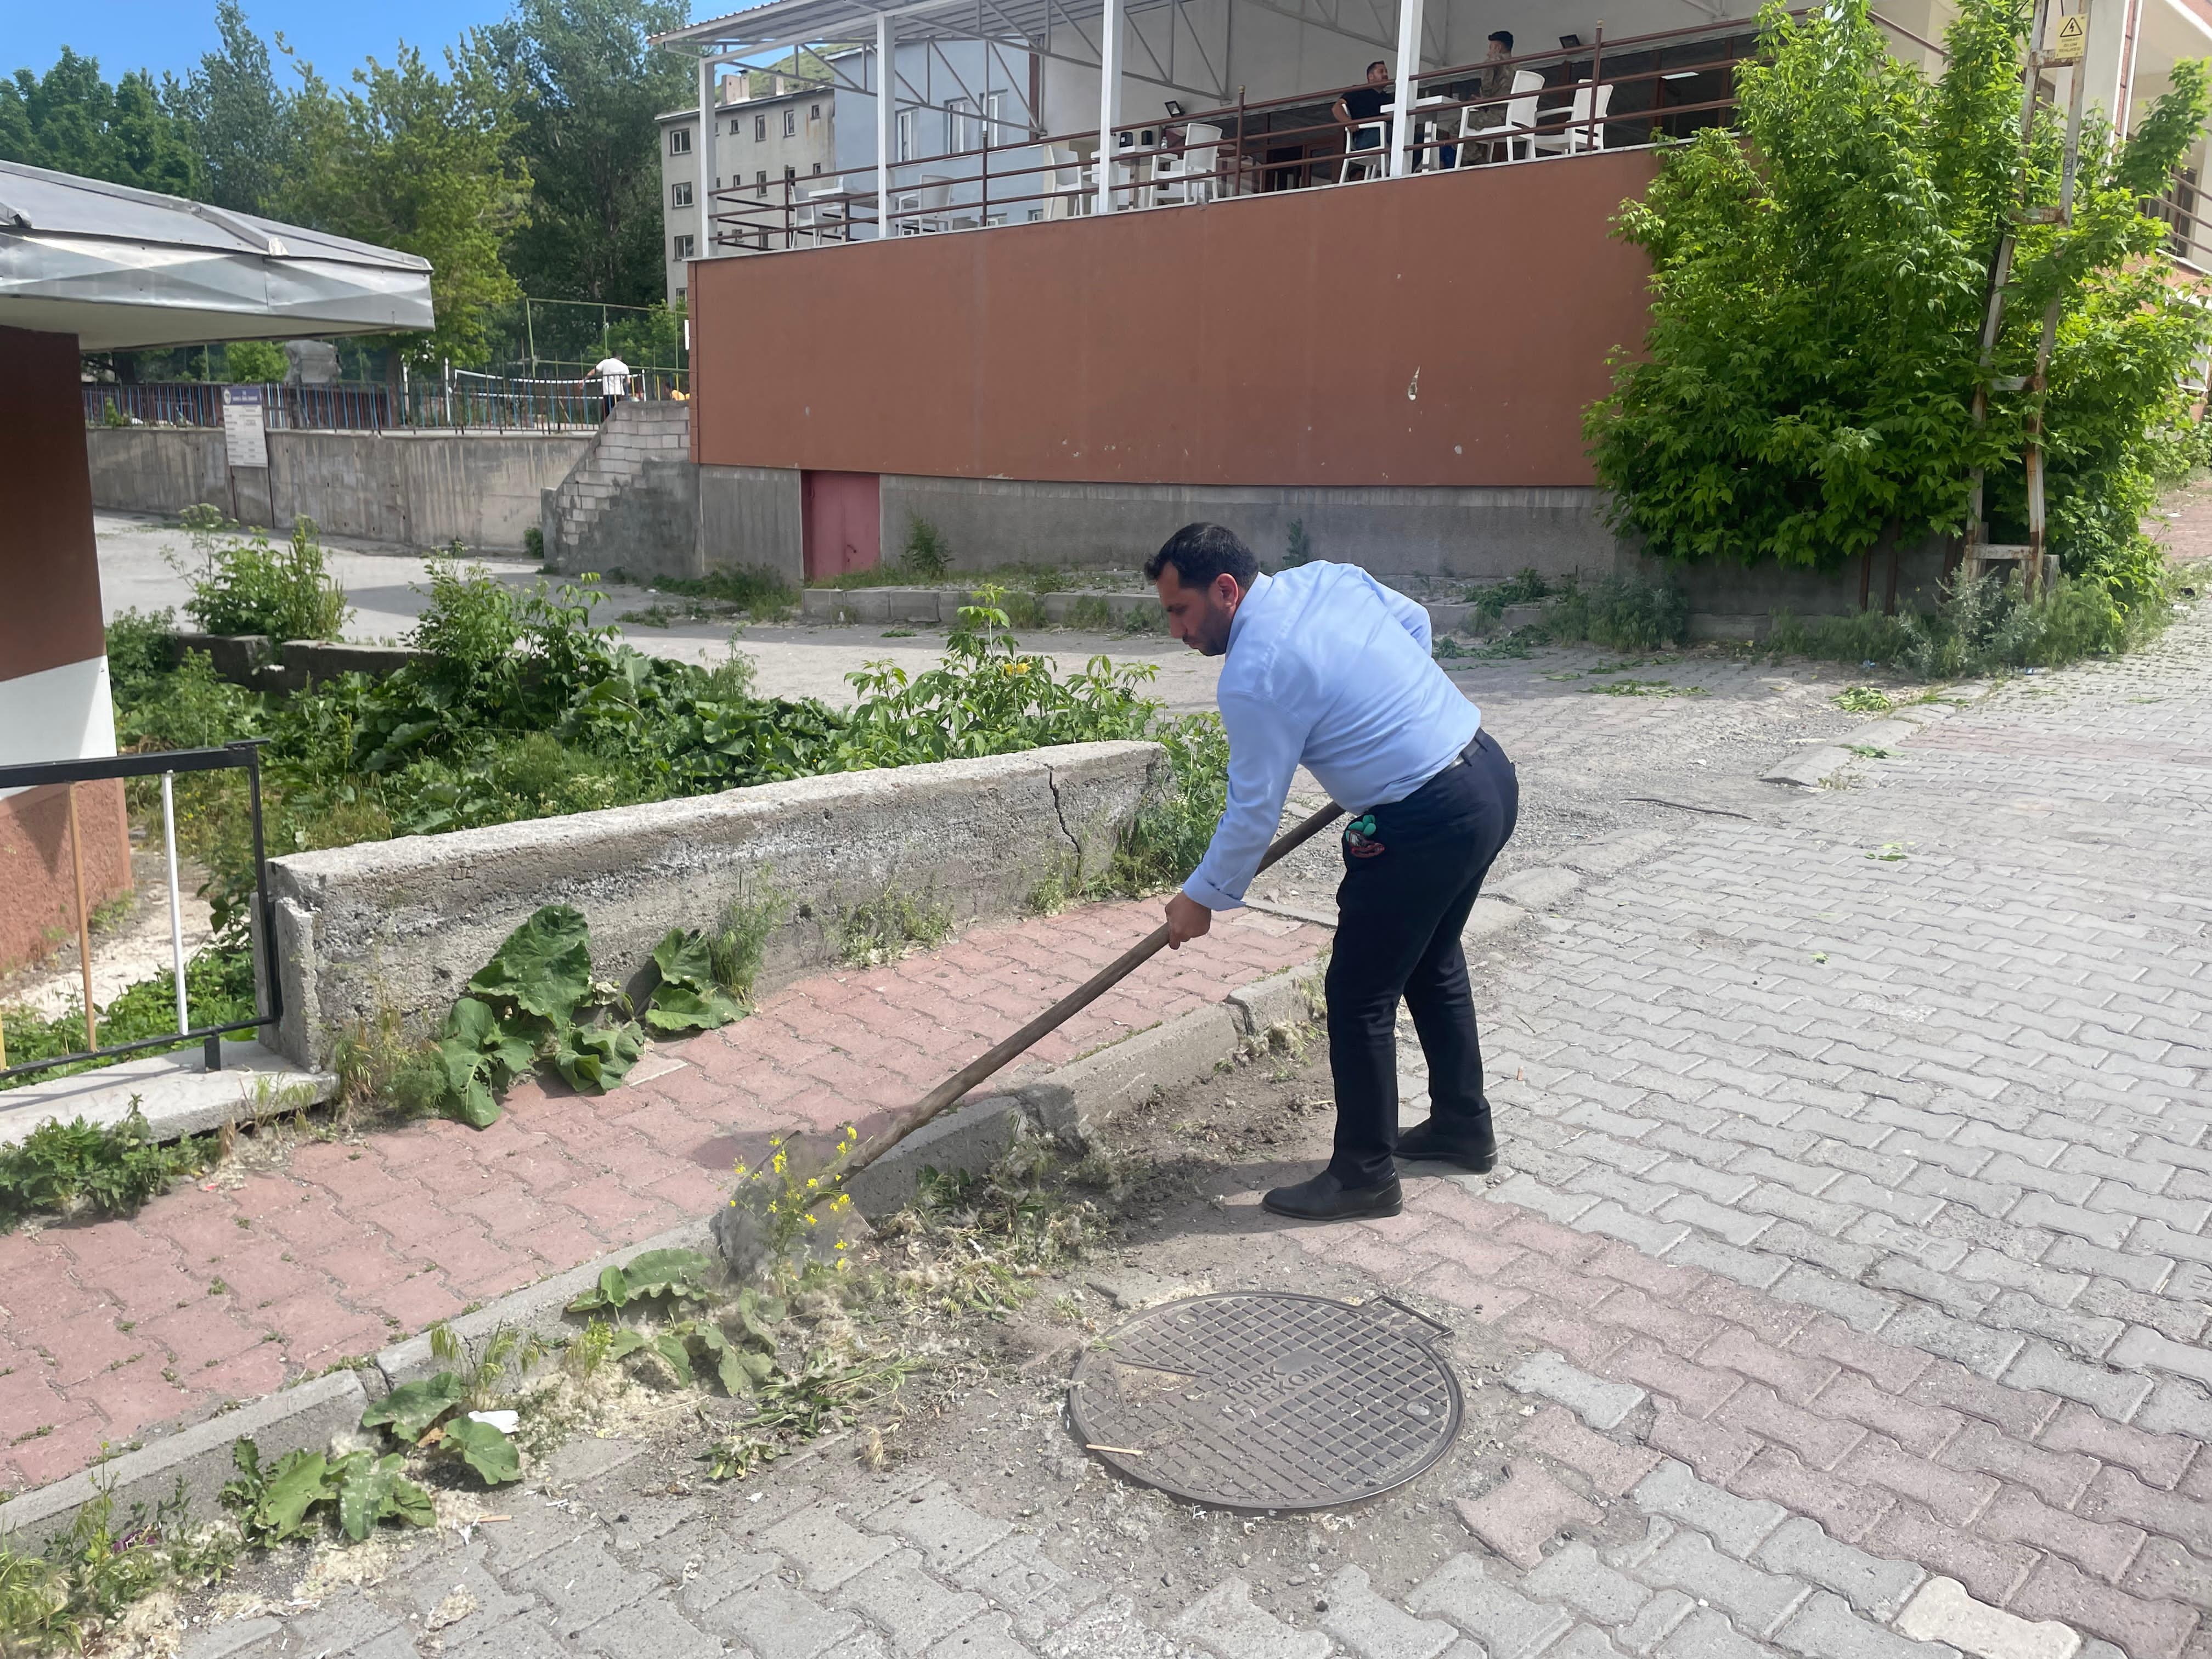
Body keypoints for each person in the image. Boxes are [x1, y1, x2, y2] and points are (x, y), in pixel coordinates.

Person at [1149, 525, 1520, 1222]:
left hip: (1429, 818)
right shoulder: (1325, 579)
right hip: (1487, 774)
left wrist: (1200, 898)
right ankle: (1463, 1128)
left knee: (1358, 993)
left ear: (1225, 590)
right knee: (1432, 959)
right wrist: (1396, 715)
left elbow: (1253, 811)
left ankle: (1364, 1176)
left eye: (1182, 610)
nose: (1176, 630)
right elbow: (1414, 620)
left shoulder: (1254, 673)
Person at [1453, 32, 1516, 166]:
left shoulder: (1494, 62)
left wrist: (1484, 98)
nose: (1488, 53)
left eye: (1491, 48)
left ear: (1498, 48)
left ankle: (1478, 162)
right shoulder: (1517, 67)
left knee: (1457, 127)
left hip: (1497, 116)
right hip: (1514, 116)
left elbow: (1487, 89)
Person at [1332, 60, 1392, 176]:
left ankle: (1407, 170)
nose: (1385, 74)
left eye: (1386, 71)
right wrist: (1348, 122)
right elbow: (1337, 107)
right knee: (1396, 133)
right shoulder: (1358, 91)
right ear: (1371, 77)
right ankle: (1396, 173)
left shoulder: (1388, 97)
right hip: (1365, 137)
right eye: (1381, 71)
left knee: (1419, 138)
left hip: (1386, 133)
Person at [588, 353, 630, 419]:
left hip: (608, 393)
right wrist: (623, 385)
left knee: (606, 415)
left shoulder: (605, 362)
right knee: (619, 415)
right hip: (619, 393)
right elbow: (628, 381)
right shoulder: (624, 366)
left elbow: (594, 371)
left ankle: (607, 427)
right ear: (620, 357)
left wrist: (584, 379)